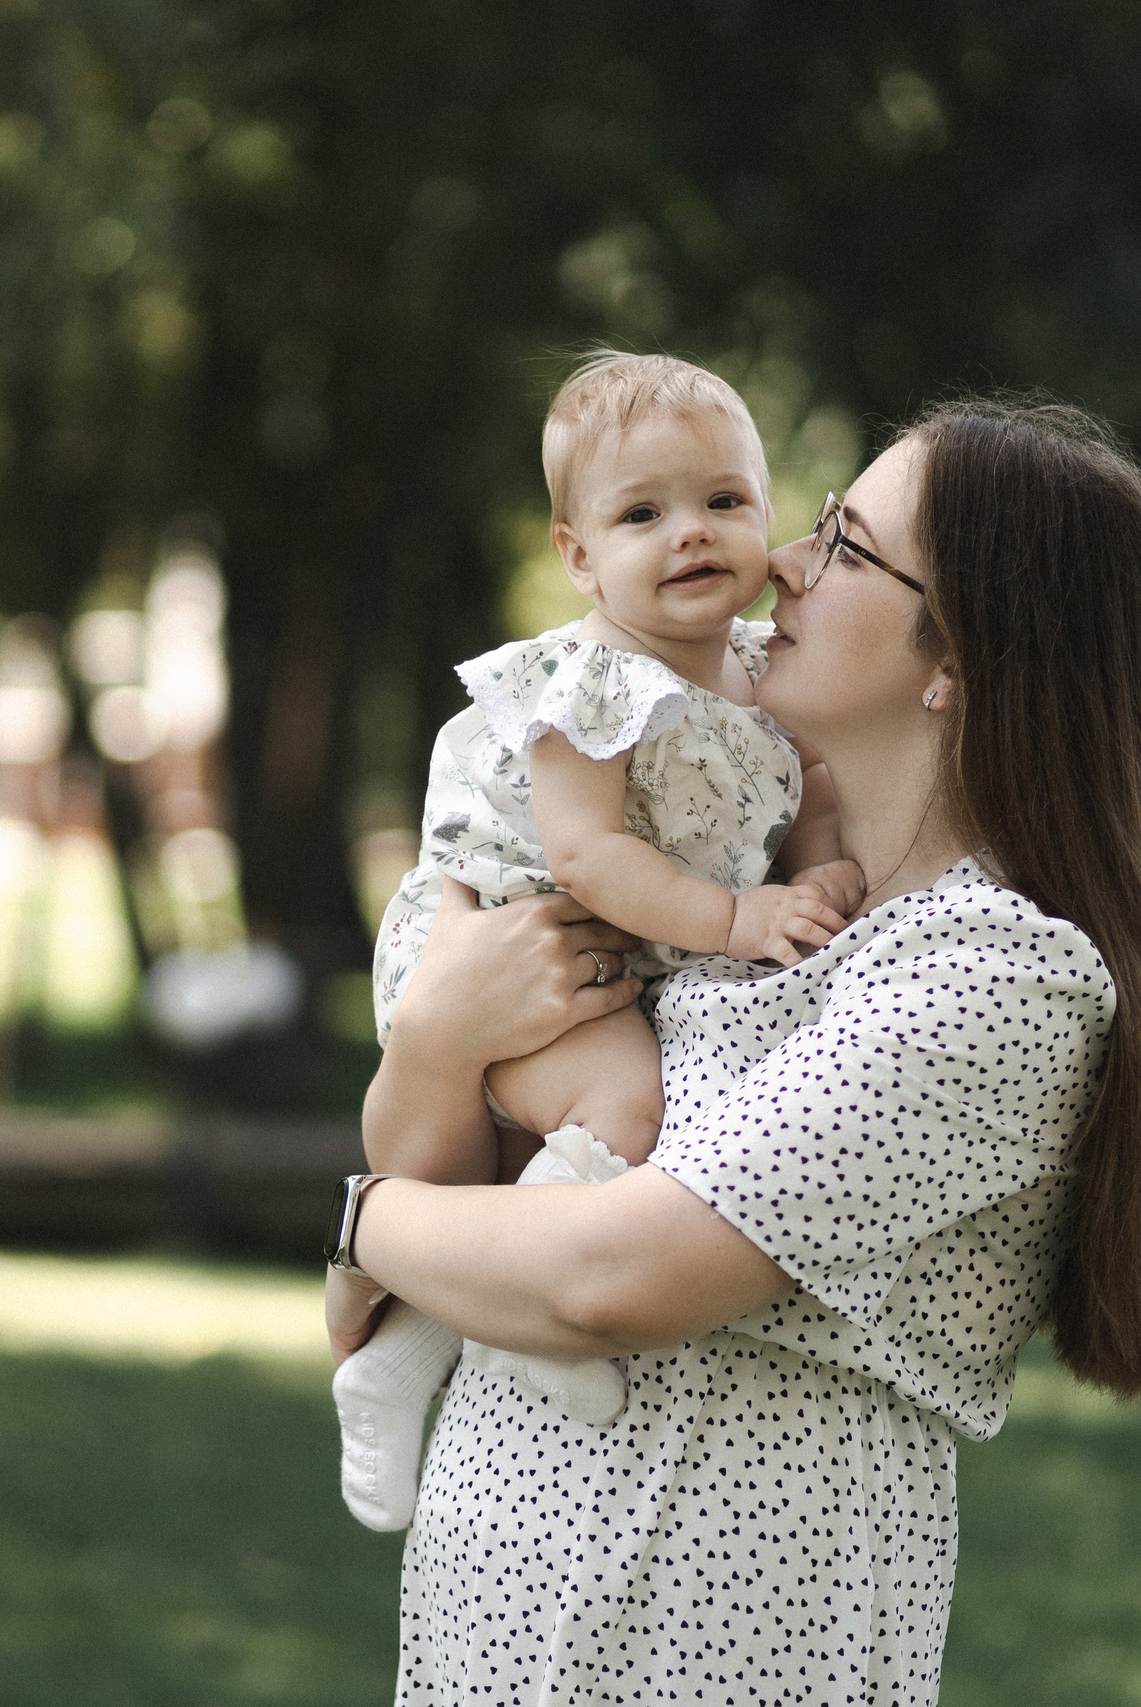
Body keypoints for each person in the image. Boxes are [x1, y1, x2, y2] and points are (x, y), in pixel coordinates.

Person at [323, 396, 1141, 1703]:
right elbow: (453, 1160)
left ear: (957, 656)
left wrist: (362, 1228)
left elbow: (603, 1274)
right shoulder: (683, 851)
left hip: (727, 1641)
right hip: (494, 1613)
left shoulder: (994, 980)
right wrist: (438, 1052)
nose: (782, 561)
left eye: (846, 546)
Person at [335, 352, 860, 1528]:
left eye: (722, 501)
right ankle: (516, 1320)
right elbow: (589, 857)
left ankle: (396, 1357)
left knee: (588, 1133)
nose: (689, 534)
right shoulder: (588, 685)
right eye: (642, 513)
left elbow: (804, 785)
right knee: (627, 1108)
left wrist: (817, 866)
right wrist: (737, 919)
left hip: (611, 960)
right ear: (578, 555)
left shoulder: (763, 671)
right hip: (513, 943)